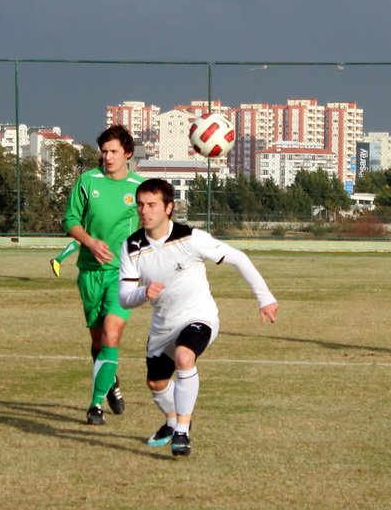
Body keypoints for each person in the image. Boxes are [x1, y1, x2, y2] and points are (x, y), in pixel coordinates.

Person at [118, 178, 278, 457]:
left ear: (168, 207)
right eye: (141, 205)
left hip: (199, 317)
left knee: (184, 357)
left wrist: (265, 298)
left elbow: (238, 257)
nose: (144, 211)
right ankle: (172, 420)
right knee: (156, 384)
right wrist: (144, 292)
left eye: (152, 205)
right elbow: (124, 297)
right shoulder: (131, 247)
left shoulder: (191, 238)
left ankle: (182, 431)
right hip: (162, 326)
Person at [62, 125, 145, 424]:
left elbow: (153, 227)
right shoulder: (87, 181)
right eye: (104, 151)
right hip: (89, 273)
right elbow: (70, 219)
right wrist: (90, 242)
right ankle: (109, 380)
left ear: (128, 153)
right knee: (98, 342)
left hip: (123, 275)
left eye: (113, 152)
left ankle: (95, 405)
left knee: (112, 332)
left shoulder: (140, 187)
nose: (107, 157)